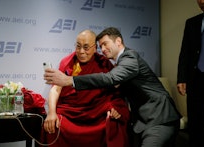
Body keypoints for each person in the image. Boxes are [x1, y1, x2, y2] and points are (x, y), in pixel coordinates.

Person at [44, 27, 181, 147]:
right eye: (100, 46)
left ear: (118, 41)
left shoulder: (130, 58)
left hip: (159, 118)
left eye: (105, 44)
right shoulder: (114, 64)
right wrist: (51, 112)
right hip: (142, 121)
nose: (103, 49)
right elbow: (116, 90)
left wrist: (70, 80)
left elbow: (109, 80)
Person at [42, 29, 130, 147]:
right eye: (78, 46)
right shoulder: (68, 62)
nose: (81, 51)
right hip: (71, 112)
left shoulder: (103, 63)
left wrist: (114, 107)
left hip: (96, 112)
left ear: (95, 48)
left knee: (113, 124)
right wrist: (51, 113)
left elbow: (115, 93)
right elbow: (55, 89)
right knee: (54, 125)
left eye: (86, 47)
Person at [177, 0, 204, 146]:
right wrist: (181, 78)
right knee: (196, 127)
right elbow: (184, 53)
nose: (202, 2)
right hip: (195, 81)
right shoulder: (191, 23)